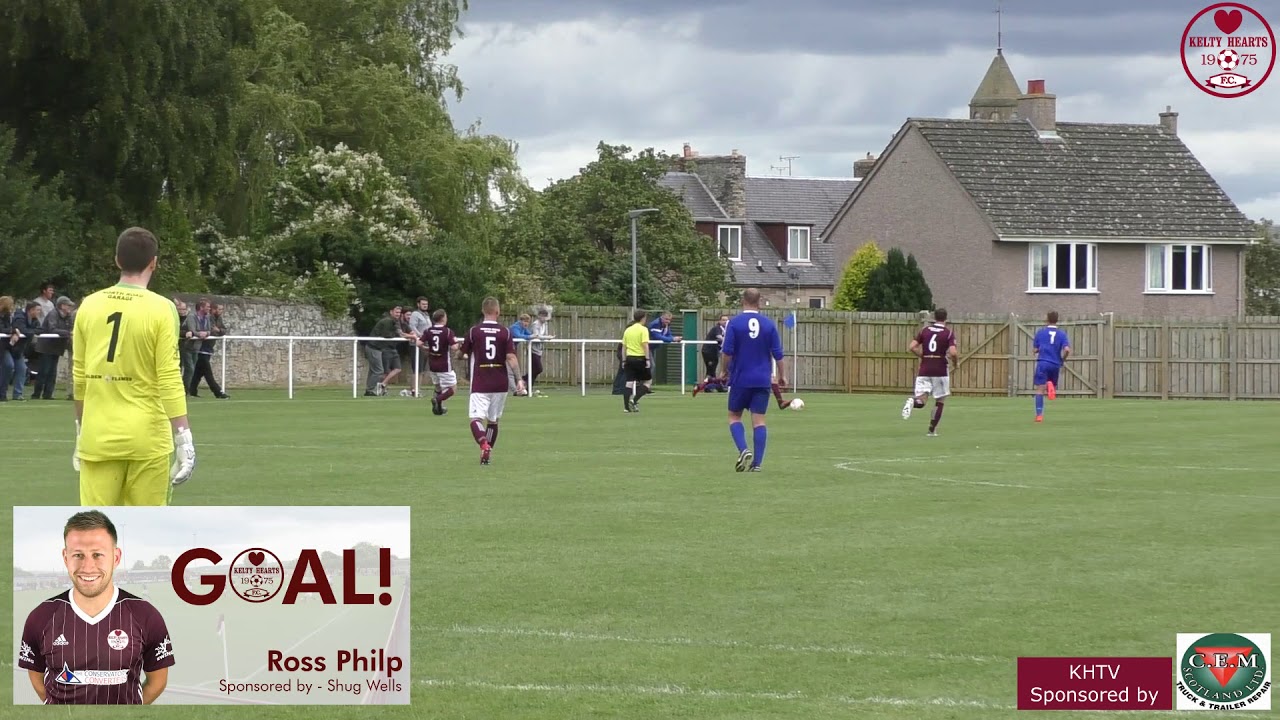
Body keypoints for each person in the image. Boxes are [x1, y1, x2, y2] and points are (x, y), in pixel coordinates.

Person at [72, 227, 196, 505]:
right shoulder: (162, 308)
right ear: (154, 262)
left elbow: (79, 376)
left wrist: (80, 430)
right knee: (147, 528)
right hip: (147, 438)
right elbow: (169, 376)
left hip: (97, 437)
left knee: (97, 527)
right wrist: (184, 437)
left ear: (117, 260)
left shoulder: (89, 305)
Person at [17, 510, 175, 704]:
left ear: (116, 557)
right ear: (66, 557)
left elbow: (157, 681)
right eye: (78, 555)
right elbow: (36, 677)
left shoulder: (146, 615)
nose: (88, 567)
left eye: (97, 555)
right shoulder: (41, 617)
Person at [720, 289, 785, 472]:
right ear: (759, 301)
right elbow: (778, 354)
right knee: (759, 421)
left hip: (740, 378)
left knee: (734, 416)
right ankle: (757, 464)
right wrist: (783, 375)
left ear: (743, 300)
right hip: (762, 379)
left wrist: (724, 371)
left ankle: (743, 449)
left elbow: (727, 352)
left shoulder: (735, 323)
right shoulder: (769, 324)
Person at [459, 297, 524, 465]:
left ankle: (483, 444)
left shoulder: (474, 331)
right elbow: (511, 357)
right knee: (493, 420)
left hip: (480, 381)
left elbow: (461, 353)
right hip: (500, 382)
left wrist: (460, 355)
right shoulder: (505, 332)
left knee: (475, 419)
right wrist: (519, 379)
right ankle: (486, 454)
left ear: (483, 311)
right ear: (498, 311)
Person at [902, 308, 958, 436]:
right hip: (940, 369)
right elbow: (953, 352)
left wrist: (923, 356)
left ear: (934, 317)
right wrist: (956, 363)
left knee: (921, 401)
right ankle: (931, 430)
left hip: (925, 369)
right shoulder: (948, 333)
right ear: (945, 318)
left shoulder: (925, 331)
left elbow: (912, 347)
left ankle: (912, 401)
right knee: (940, 400)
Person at [1032, 311, 1071, 422]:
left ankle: (1039, 415)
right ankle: (1051, 384)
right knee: (1052, 384)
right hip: (1055, 364)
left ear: (1047, 319)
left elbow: (1035, 350)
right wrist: (1063, 359)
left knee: (1040, 390)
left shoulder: (1040, 333)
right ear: (1057, 320)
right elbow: (1067, 350)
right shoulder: (1062, 334)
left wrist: (1038, 350)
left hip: (1043, 363)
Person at [422, 308, 461, 416]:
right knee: (453, 389)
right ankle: (437, 399)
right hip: (444, 365)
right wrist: (458, 344)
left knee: (438, 387)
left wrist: (426, 348)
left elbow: (419, 343)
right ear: (443, 318)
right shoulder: (447, 331)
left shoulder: (428, 330)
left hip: (432, 364)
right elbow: (454, 347)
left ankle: (438, 410)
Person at [621, 310, 651, 413]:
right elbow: (645, 345)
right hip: (640, 358)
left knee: (629, 383)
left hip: (629, 358)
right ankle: (634, 400)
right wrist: (647, 359)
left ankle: (626, 407)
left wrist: (623, 360)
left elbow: (624, 347)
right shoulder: (643, 329)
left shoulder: (628, 330)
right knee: (648, 381)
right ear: (643, 318)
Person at [692, 314, 729, 396]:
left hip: (715, 352)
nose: (725, 322)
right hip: (709, 351)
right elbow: (720, 337)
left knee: (712, 370)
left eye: (726, 320)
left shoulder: (726, 330)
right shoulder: (717, 328)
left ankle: (712, 386)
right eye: (723, 320)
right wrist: (728, 340)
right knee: (711, 370)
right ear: (719, 321)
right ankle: (704, 386)